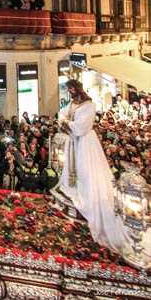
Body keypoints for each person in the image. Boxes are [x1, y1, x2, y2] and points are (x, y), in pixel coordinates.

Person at [58, 79, 132, 253]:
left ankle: (89, 195)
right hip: (73, 142)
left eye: (71, 89)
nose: (70, 92)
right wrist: (64, 120)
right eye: (68, 90)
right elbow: (61, 114)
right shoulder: (72, 103)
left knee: (86, 171)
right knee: (72, 168)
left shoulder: (88, 105)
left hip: (85, 142)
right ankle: (72, 187)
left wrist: (66, 123)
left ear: (77, 89)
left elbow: (81, 126)